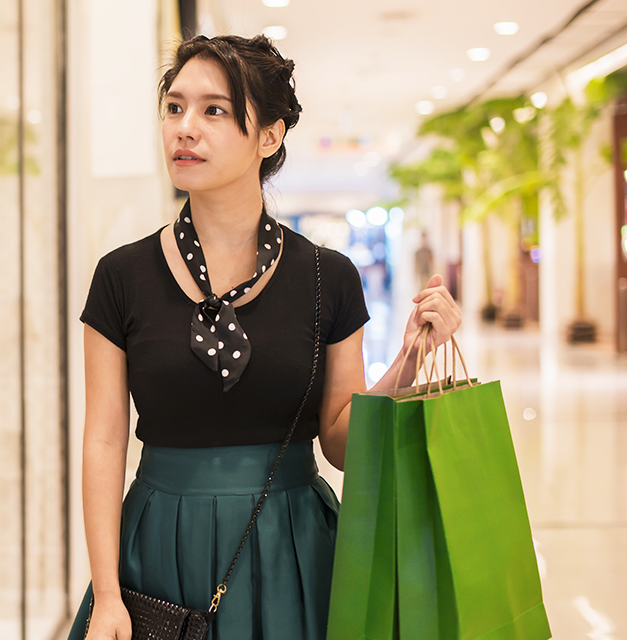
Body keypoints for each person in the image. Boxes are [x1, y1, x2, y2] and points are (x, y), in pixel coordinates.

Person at [71, 35, 461, 640]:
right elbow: (101, 441)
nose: (185, 128)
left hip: (292, 551)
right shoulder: (122, 277)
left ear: (270, 136)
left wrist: (410, 357)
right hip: (157, 548)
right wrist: (106, 595)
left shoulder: (326, 277)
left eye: (214, 110)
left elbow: (339, 441)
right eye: (174, 108)